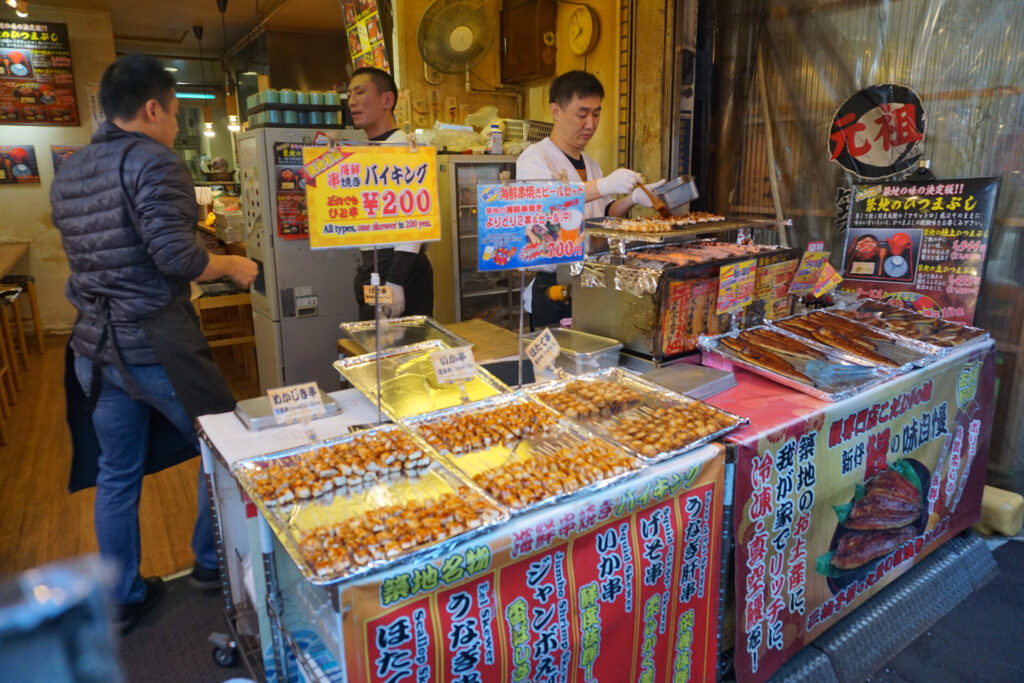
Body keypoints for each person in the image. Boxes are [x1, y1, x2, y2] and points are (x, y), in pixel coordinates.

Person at [50, 54, 259, 631]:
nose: (173, 127)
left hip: (94, 345)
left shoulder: (71, 170)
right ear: (152, 108)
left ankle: (120, 596)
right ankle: (211, 563)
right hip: (154, 342)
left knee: (118, 472)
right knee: (224, 446)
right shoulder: (156, 162)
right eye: (172, 113)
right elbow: (177, 257)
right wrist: (233, 264)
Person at [516, 70, 664, 328]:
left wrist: (632, 199)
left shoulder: (591, 164)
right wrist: (605, 184)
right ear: (556, 111)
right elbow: (547, 203)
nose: (591, 124)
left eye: (596, 114)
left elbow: (602, 215)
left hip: (592, 280)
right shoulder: (534, 158)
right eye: (582, 114)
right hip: (555, 288)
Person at [347, 67, 434, 320]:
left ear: (387, 100)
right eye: (349, 94)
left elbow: (415, 221)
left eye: (360, 92)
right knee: (376, 348)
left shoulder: (404, 147)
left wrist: (396, 281)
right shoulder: (372, 151)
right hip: (375, 265)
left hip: (398, 266)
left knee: (399, 352)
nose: (352, 101)